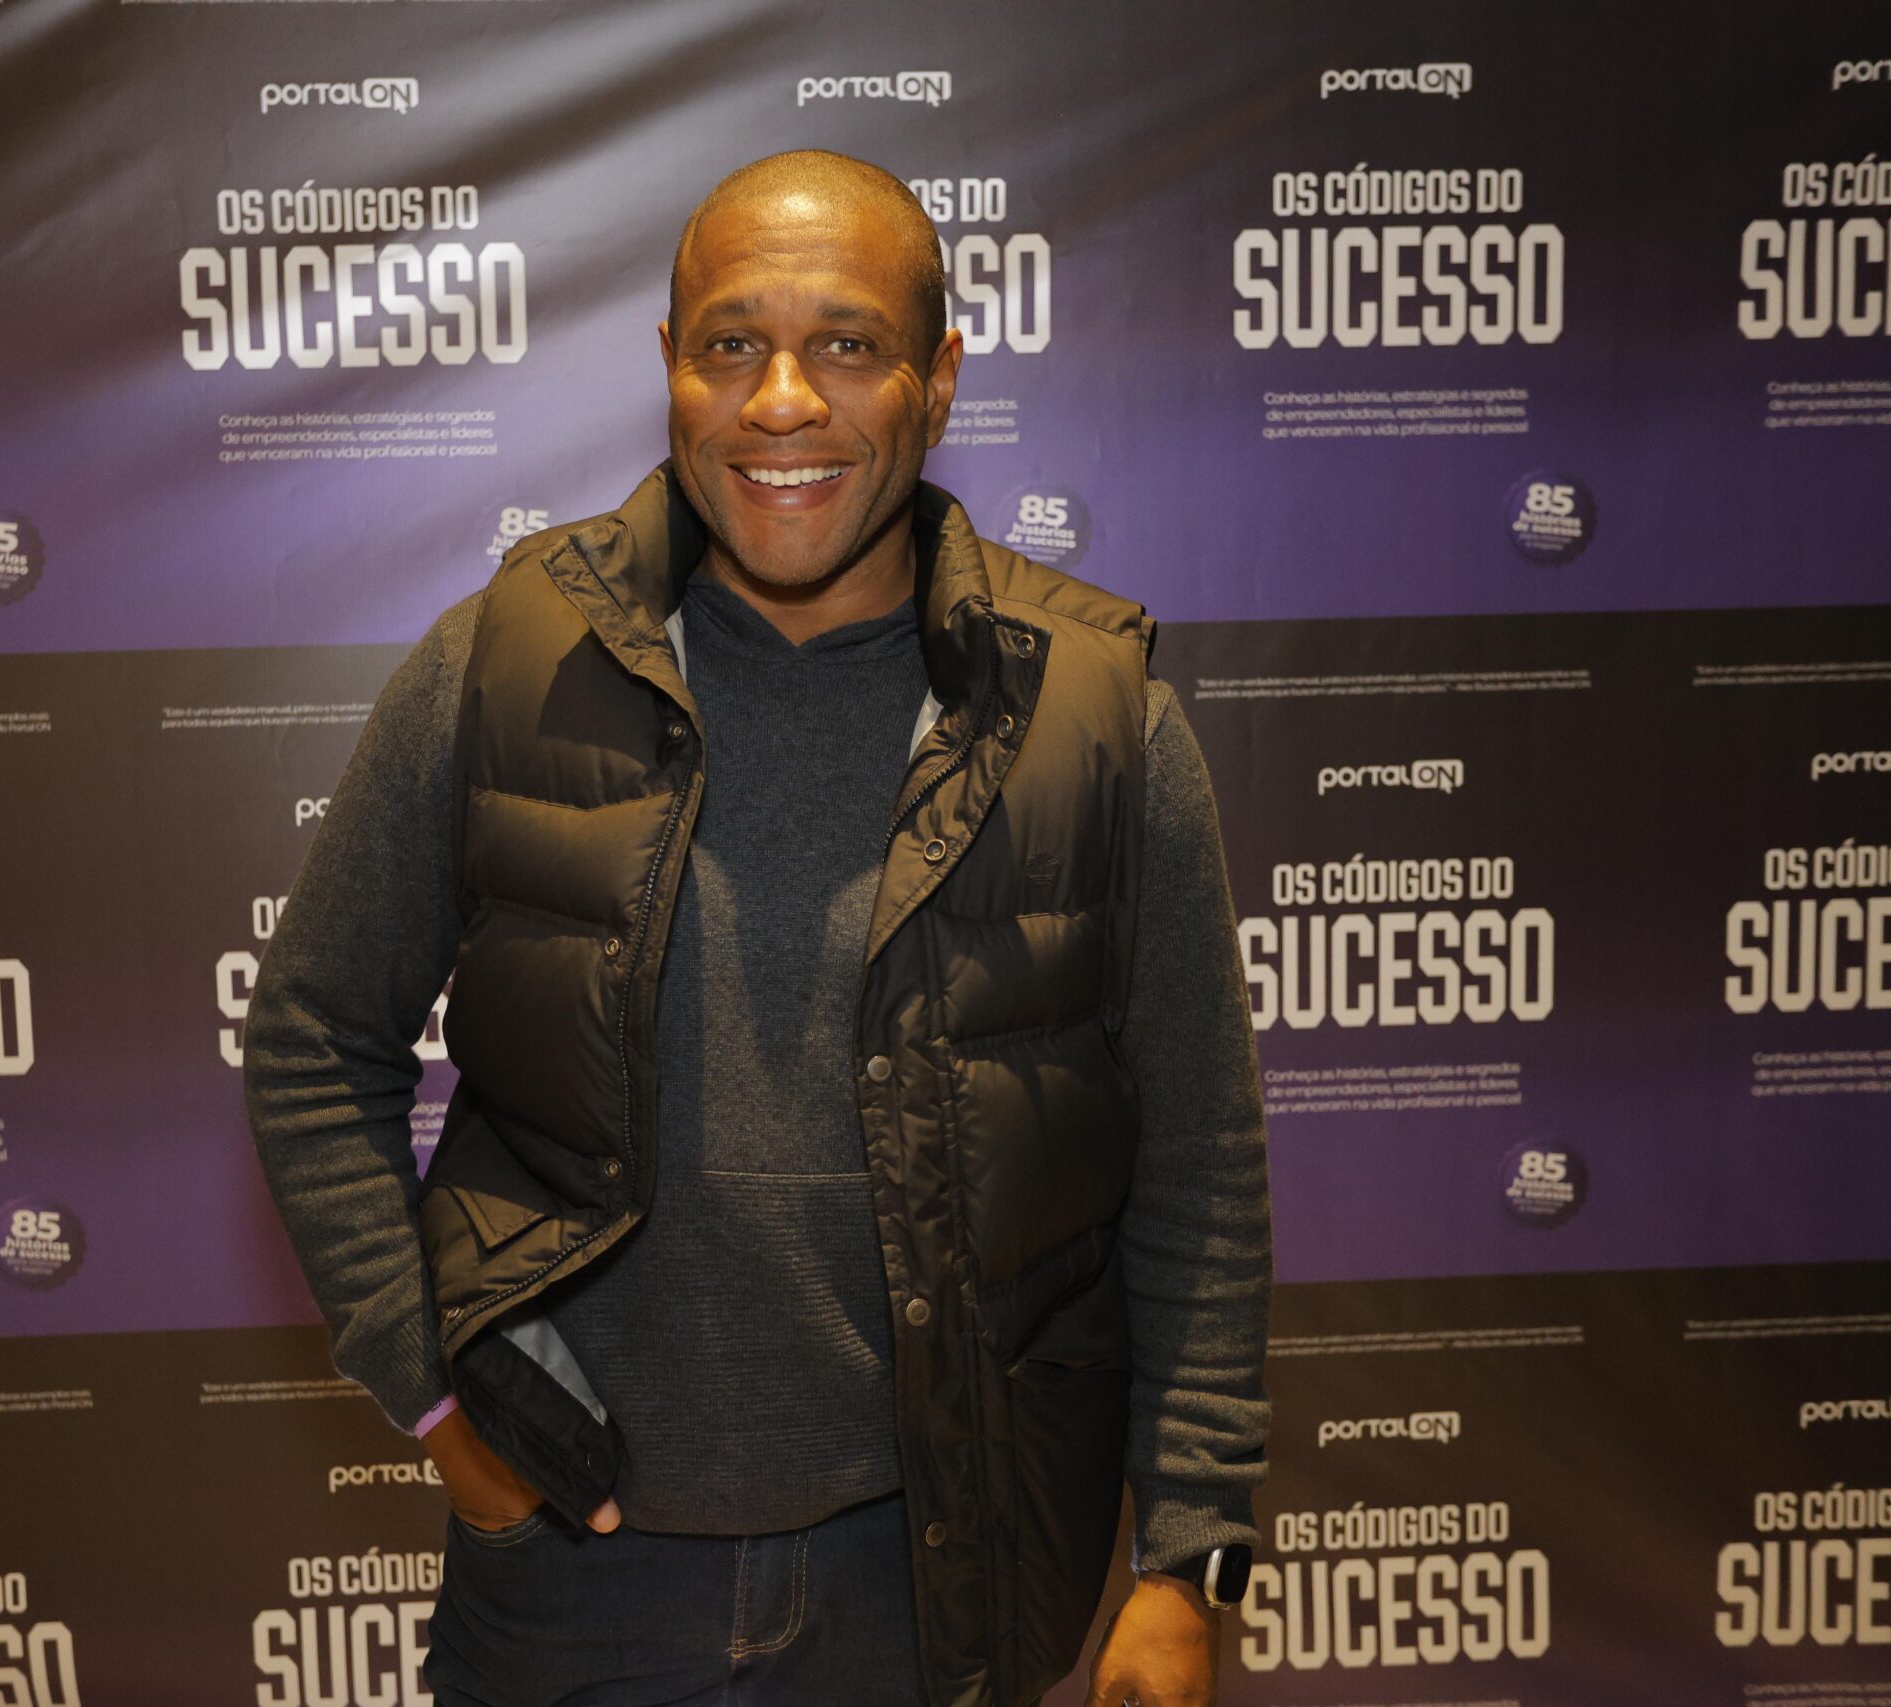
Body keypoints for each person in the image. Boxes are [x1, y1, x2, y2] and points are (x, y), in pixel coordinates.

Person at [241, 149, 1272, 1707]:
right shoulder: (502, 662)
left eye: (848, 344)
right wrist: (448, 1428)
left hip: (934, 1586)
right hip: (570, 1585)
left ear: (940, 379)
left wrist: (1186, 1556)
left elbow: (1196, 1155)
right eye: (732, 345)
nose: (782, 402)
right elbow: (313, 1042)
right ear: (671, 367)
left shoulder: (1091, 713)